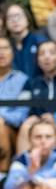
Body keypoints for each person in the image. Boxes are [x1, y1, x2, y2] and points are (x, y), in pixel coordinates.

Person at [18, 41, 56, 154]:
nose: (47, 57)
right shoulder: (33, 83)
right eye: (42, 54)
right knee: (26, 126)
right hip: (39, 126)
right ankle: (22, 166)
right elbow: (27, 109)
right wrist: (34, 117)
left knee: (50, 130)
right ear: (37, 59)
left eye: (52, 53)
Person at [0, 37, 30, 172]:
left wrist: (1, 118)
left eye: (5, 48)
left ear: (13, 53)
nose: (1, 52)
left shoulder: (23, 80)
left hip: (11, 131)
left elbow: (20, 116)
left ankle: (2, 173)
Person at [4, 4, 47, 79]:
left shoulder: (40, 42)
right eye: (10, 17)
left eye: (18, 16)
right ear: (6, 23)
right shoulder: (5, 47)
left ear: (27, 19)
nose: (15, 20)